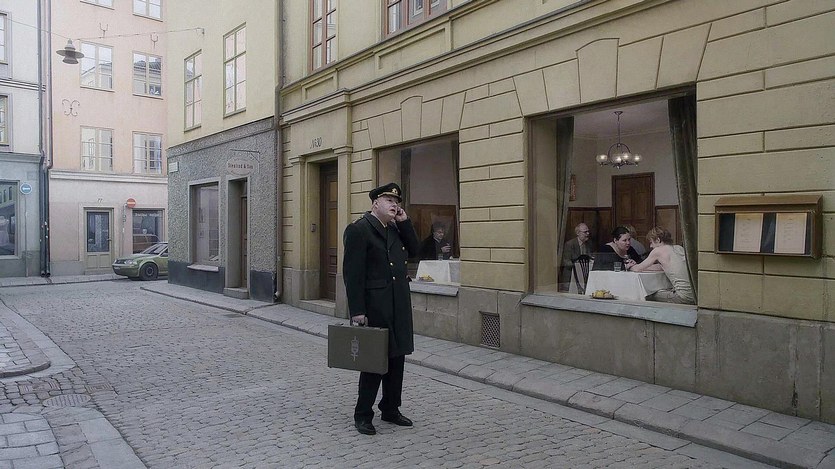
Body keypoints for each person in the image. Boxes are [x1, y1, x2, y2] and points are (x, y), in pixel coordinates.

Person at [342, 182, 420, 436]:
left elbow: (416, 251)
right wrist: (357, 311)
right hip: (375, 306)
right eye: (389, 201)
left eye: (396, 202)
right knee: (374, 361)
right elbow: (353, 274)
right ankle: (363, 414)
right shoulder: (359, 230)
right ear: (375, 203)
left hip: (398, 305)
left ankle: (390, 408)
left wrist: (405, 223)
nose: (394, 205)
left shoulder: (395, 229)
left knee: (397, 359)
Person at [626, 226, 695, 304]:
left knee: (646, 294)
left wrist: (630, 266)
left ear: (658, 240)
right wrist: (640, 266)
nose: (650, 246)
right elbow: (661, 267)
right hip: (695, 295)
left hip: (682, 297)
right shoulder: (679, 248)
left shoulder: (658, 251)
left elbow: (637, 269)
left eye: (651, 242)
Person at [560, 223, 592, 291]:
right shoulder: (570, 244)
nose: (588, 233)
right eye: (585, 232)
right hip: (571, 277)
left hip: (584, 277)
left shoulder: (588, 244)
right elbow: (566, 261)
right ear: (578, 233)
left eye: (588, 231)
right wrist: (577, 266)